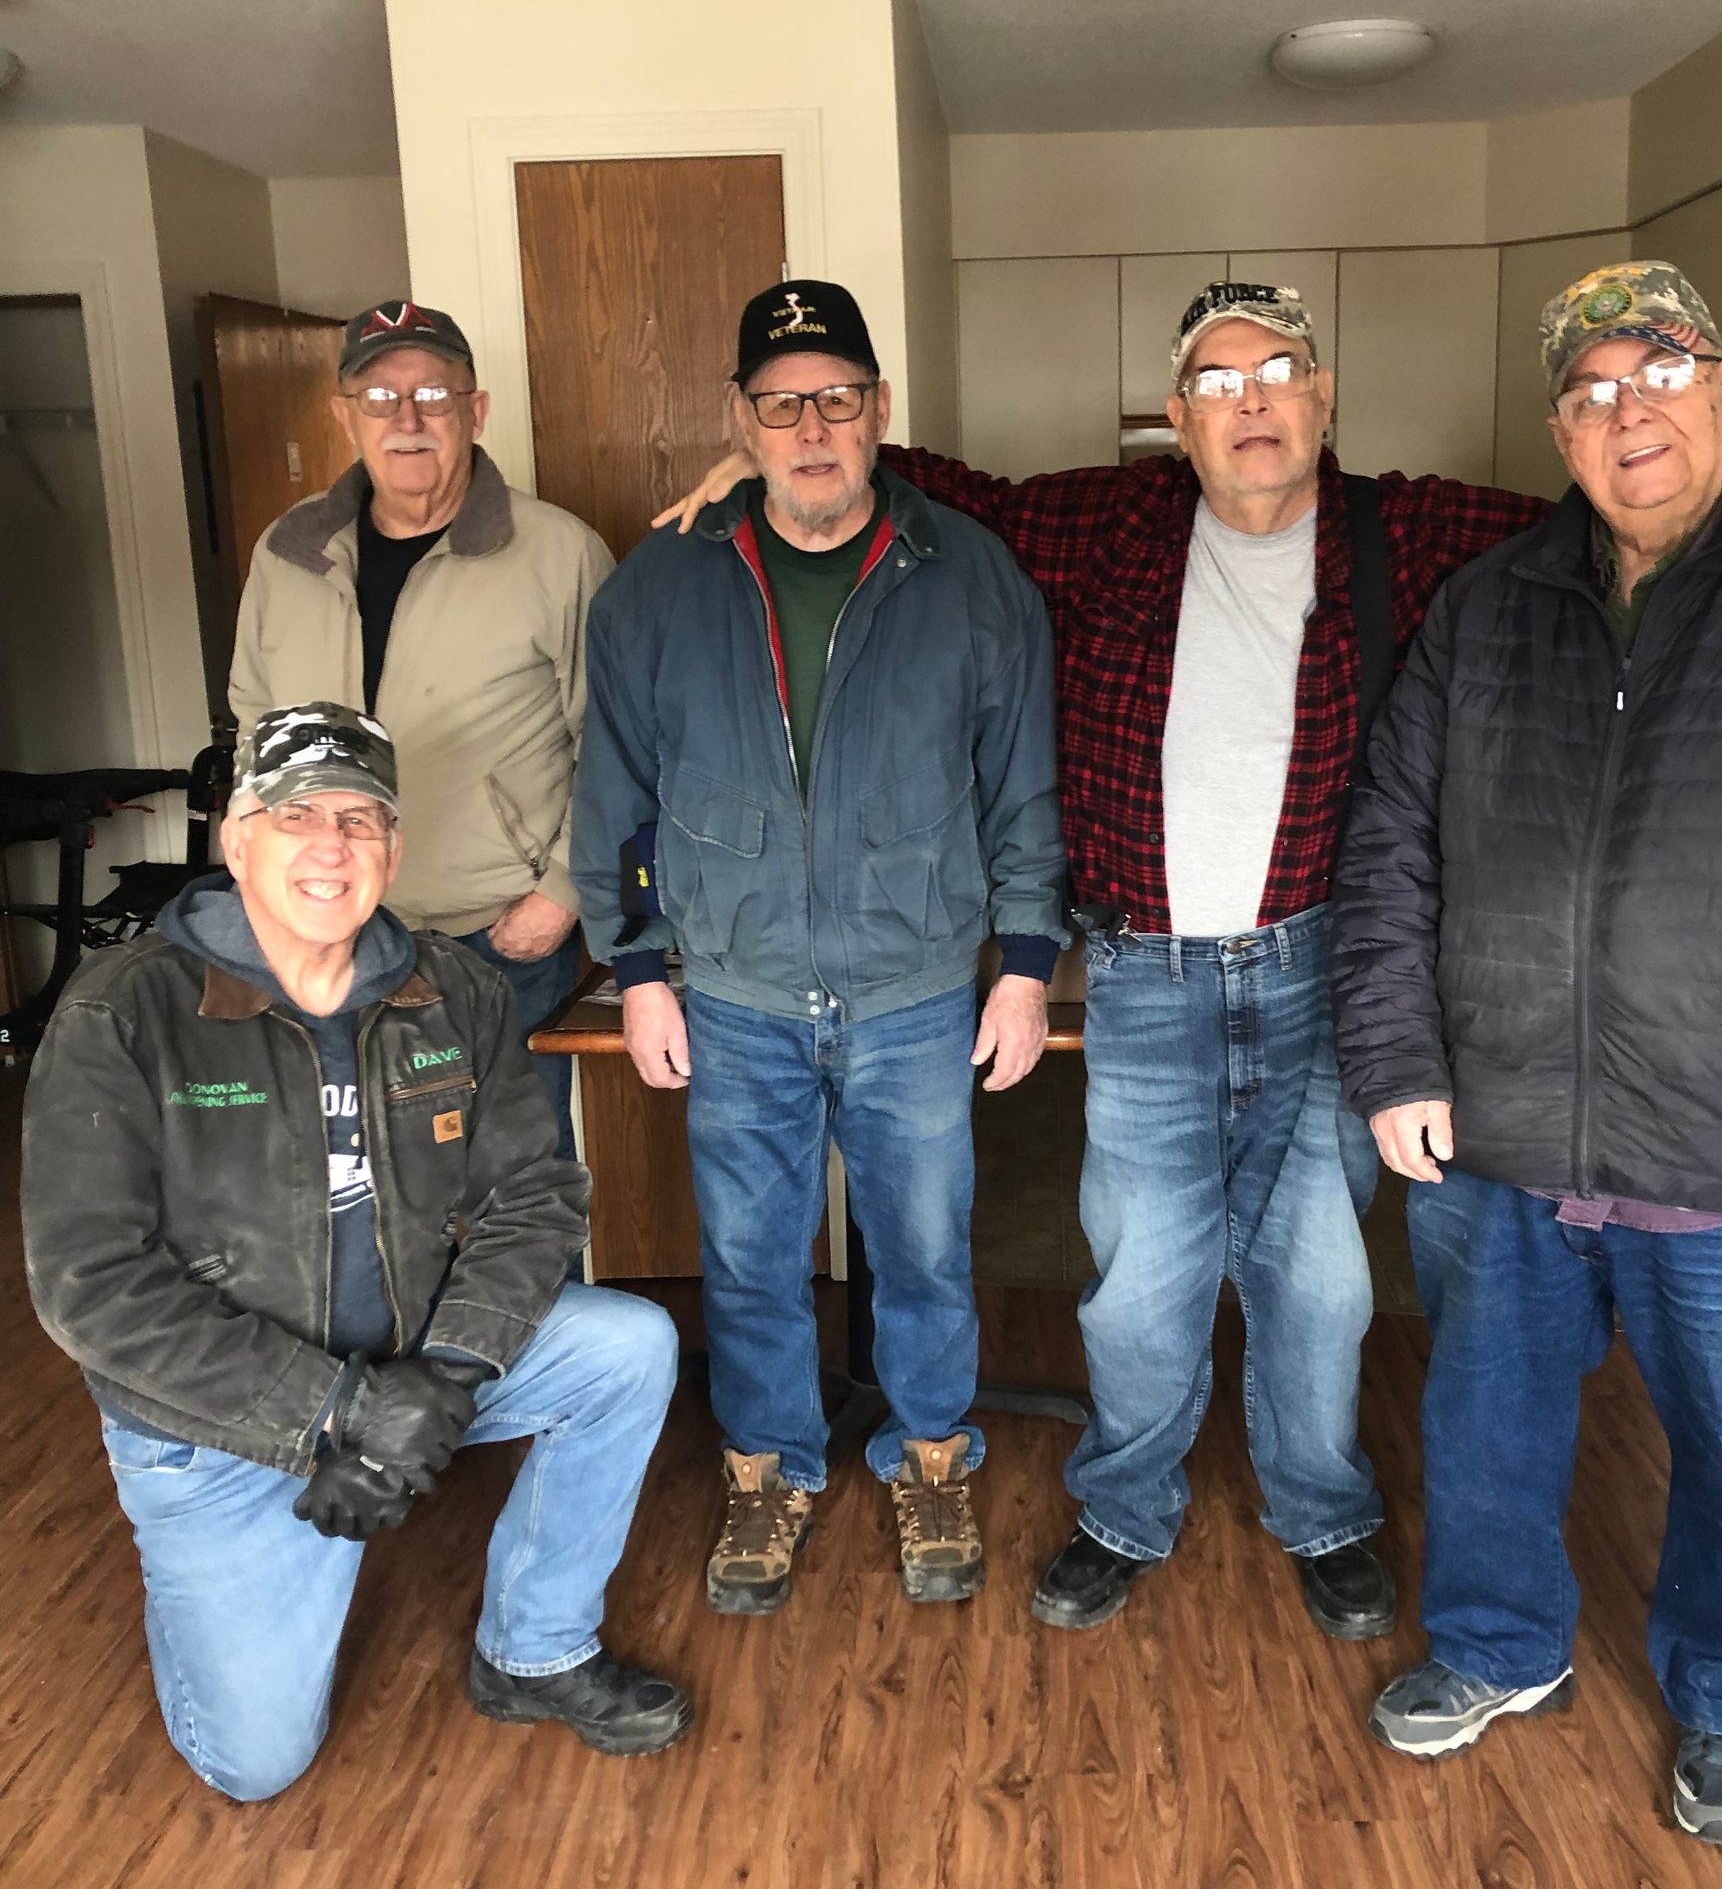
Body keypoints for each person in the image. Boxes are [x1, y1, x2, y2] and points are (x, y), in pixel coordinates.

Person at [660, 279, 1722, 1639]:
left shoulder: (1404, 529)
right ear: (1178, 419)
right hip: (1145, 977)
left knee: (1319, 1278)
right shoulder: (1106, 525)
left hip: (1316, 970)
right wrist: (766, 456)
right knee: (1143, 1280)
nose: (1253, 403)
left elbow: (1619, 497)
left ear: (1324, 396)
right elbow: (928, 479)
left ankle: (1321, 1505)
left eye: (1279, 371)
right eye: (1220, 383)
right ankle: (1127, 1503)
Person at [1333, 261, 1722, 1846]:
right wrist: (1397, 1057)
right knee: (1487, 1414)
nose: (1625, 412)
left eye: (1659, 372)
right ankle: (1501, 1645)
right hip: (1508, 1127)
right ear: (1557, 432)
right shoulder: (1489, 602)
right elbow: (1390, 840)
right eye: (1589, 393)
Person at [22, 703, 690, 1801]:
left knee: (625, 1348)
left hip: (409, 1352)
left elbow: (536, 1191)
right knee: (255, 1765)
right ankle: (212, 1582)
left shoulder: (449, 987)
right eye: (295, 816)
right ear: (237, 841)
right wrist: (335, 1411)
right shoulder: (125, 1010)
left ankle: (536, 1645)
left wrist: (445, 1376)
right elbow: (88, 1283)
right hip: (224, 1424)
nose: (331, 845)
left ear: (395, 848)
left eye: (361, 818)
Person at [573, 280, 1069, 1615]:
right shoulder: (659, 589)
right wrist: (635, 969)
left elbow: (1022, 785)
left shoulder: (969, 576)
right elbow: (614, 796)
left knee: (924, 1249)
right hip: (731, 994)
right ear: (743, 421)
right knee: (747, 1255)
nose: (812, 427)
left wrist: (1024, 959)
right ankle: (769, 1467)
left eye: (837, 398)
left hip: (914, 989)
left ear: (879, 412)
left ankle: (930, 1454)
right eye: (782, 403)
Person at [230, 301, 610, 1153]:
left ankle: (529, 1299)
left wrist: (562, 895)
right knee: (349, 1181)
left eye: (434, 393)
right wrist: (267, 886)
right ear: (344, 416)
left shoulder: (560, 554)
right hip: (326, 930)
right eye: (378, 396)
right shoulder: (286, 552)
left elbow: (618, 746)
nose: (406, 419)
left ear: (475, 413)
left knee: (511, 1179)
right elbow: (256, 729)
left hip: (494, 935)